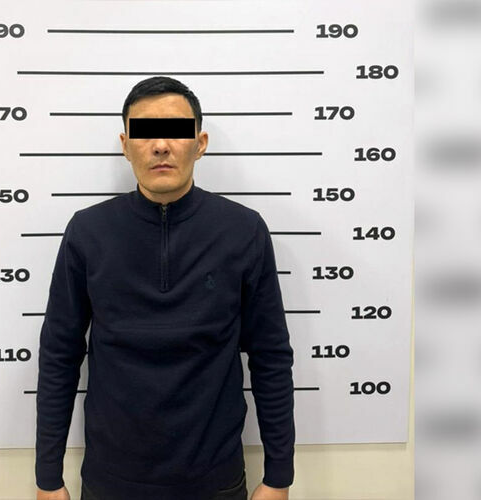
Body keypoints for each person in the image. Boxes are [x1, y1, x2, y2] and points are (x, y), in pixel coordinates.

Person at [35, 76, 295, 500]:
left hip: (217, 481)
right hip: (110, 482)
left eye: (176, 131)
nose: (160, 145)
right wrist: (48, 477)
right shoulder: (87, 231)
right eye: (144, 133)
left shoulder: (243, 230)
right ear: (125, 145)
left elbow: (271, 356)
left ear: (200, 143)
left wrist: (279, 475)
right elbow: (59, 355)